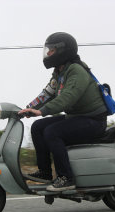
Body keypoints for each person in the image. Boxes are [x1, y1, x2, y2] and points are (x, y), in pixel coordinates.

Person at [18, 32, 108, 191]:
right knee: (38, 127)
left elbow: (67, 98)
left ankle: (66, 177)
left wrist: (42, 111)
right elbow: (46, 94)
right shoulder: (60, 72)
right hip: (77, 117)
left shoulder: (76, 71)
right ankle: (45, 172)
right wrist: (27, 108)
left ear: (62, 50)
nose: (48, 53)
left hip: (94, 121)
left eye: (51, 50)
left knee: (53, 132)